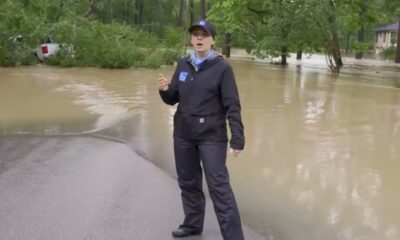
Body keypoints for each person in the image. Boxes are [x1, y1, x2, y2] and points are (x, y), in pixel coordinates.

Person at [158, 19, 245, 240]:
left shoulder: (222, 68)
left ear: (212, 40)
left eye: (204, 35)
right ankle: (192, 224)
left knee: (219, 187)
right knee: (188, 182)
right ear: (191, 39)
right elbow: (173, 98)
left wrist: (237, 137)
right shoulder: (183, 64)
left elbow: (232, 104)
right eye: (195, 34)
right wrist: (165, 90)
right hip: (183, 134)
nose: (199, 38)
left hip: (211, 137)